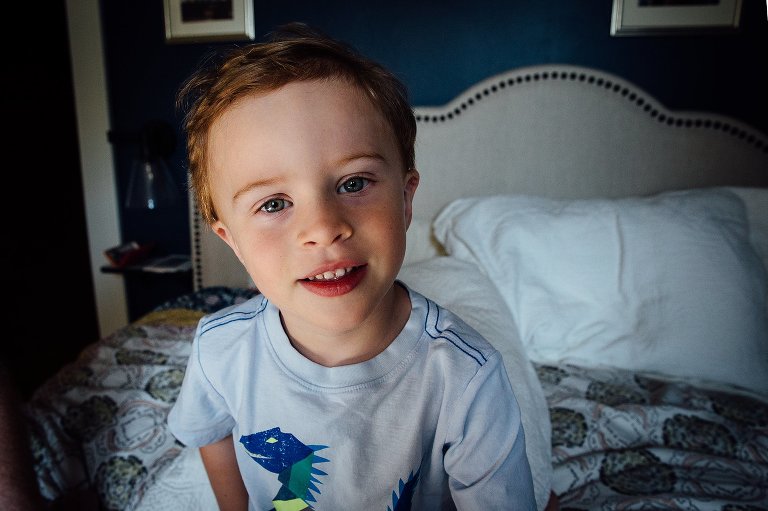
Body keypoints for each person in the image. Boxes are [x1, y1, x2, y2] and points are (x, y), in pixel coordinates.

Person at [167, 22, 536, 511]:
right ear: (231, 239)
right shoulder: (219, 349)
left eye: (354, 183)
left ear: (406, 202)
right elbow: (209, 432)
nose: (323, 227)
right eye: (274, 204)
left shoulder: (466, 377)